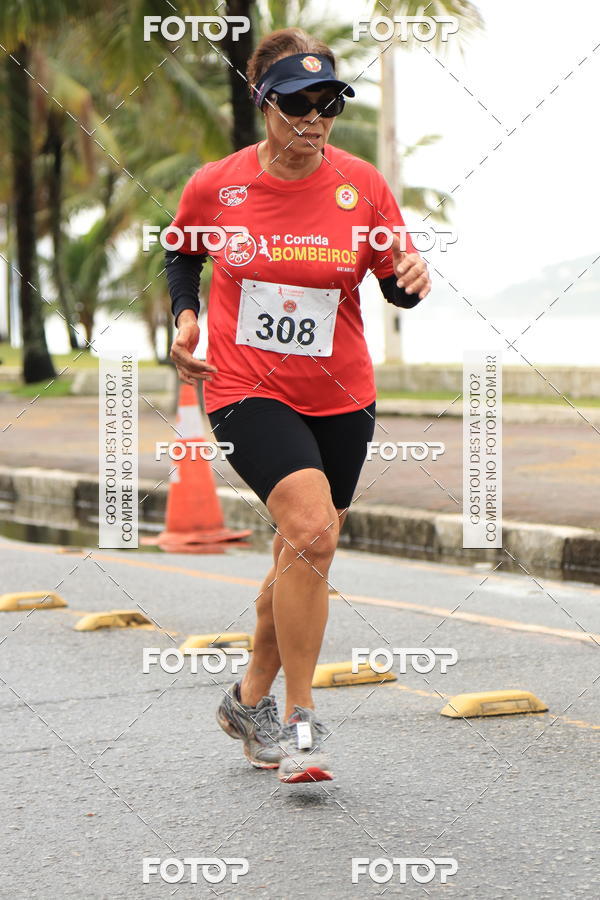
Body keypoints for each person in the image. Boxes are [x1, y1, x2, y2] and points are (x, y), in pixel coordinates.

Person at [166, 28, 431, 783]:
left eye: (328, 104)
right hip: (246, 388)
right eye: (297, 104)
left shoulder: (362, 186)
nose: (314, 119)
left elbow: (394, 284)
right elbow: (182, 251)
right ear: (264, 104)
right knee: (313, 529)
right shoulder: (217, 185)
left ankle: (247, 699)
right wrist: (185, 318)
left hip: (342, 395)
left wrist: (412, 277)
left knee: (303, 548)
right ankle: (300, 719)